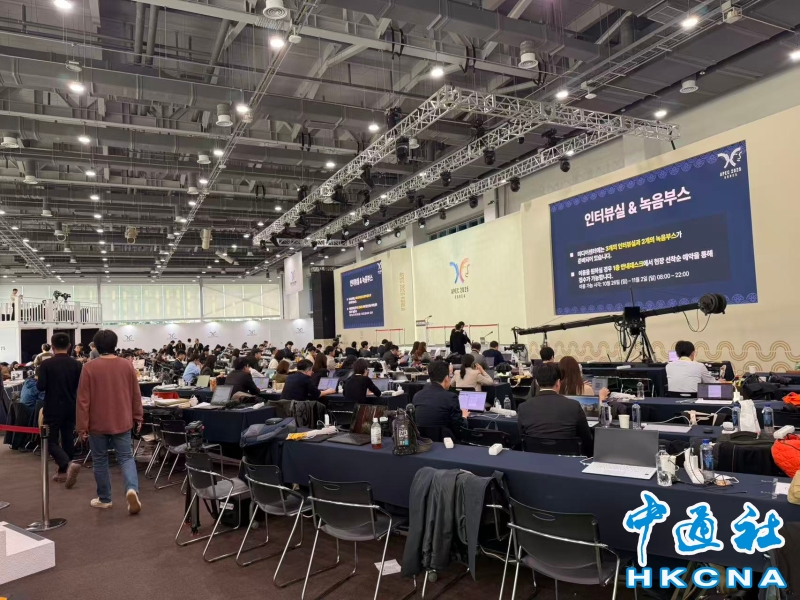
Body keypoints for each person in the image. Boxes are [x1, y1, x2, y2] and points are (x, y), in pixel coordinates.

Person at [76, 330, 142, 513]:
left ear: (96, 346)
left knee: (100, 460)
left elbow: (83, 400)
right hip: (122, 420)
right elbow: (136, 394)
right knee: (126, 457)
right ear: (115, 344)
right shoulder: (127, 365)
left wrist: (82, 426)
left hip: (97, 422)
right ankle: (131, 489)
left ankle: (105, 498)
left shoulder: (89, 367)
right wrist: (138, 416)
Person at [517, 363, 593, 456]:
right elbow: (586, 439)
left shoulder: (523, 407)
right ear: (558, 382)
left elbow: (521, 438)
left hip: (534, 459)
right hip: (568, 461)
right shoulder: (574, 406)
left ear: (536, 382)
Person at [37, 333, 83, 486]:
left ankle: (66, 465)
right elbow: (80, 387)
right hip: (71, 406)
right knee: (68, 437)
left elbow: (41, 386)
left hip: (52, 406)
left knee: (49, 440)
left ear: (52, 346)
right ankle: (64, 472)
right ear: (69, 346)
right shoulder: (77, 365)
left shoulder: (46, 364)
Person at [412, 360, 468, 437]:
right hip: (447, 442)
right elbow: (459, 428)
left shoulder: (417, 396)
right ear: (446, 378)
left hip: (423, 441)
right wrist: (464, 417)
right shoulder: (451, 397)